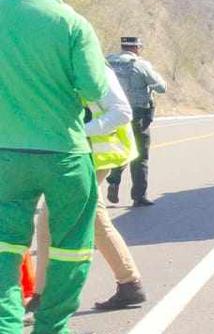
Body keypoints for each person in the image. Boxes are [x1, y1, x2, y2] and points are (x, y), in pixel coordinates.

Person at [0, 0, 109, 334]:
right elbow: (95, 90)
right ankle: (51, 332)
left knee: (5, 246)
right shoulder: (73, 23)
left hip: (6, 154)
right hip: (63, 152)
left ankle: (6, 332)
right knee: (69, 246)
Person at [28, 69, 145, 317]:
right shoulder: (58, 68)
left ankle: (43, 295)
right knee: (96, 219)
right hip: (77, 155)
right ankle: (129, 283)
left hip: (96, 155)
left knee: (49, 221)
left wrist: (80, 131)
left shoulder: (95, 70)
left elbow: (122, 112)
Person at [106, 36, 166, 206]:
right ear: (136, 48)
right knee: (140, 155)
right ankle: (138, 196)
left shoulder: (107, 62)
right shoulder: (140, 65)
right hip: (137, 115)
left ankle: (114, 180)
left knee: (119, 150)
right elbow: (161, 87)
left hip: (111, 114)